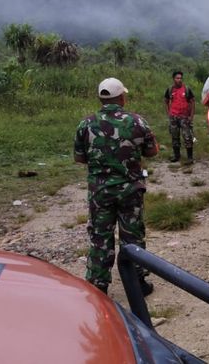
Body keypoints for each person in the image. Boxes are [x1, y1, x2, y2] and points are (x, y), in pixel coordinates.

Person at [74, 77, 158, 296]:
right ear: (122, 97)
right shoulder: (138, 122)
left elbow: (80, 158)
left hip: (100, 192)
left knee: (100, 236)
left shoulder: (85, 124)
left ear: (101, 99)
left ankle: (98, 285)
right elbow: (152, 151)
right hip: (130, 190)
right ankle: (137, 283)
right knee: (133, 235)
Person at [164, 71, 195, 164]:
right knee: (174, 137)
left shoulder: (186, 89)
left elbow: (193, 102)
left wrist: (191, 116)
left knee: (187, 137)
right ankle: (176, 156)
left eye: (181, 78)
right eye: (177, 78)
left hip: (184, 117)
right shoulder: (170, 89)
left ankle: (190, 157)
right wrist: (169, 113)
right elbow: (165, 101)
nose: (179, 80)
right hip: (174, 117)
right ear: (174, 79)